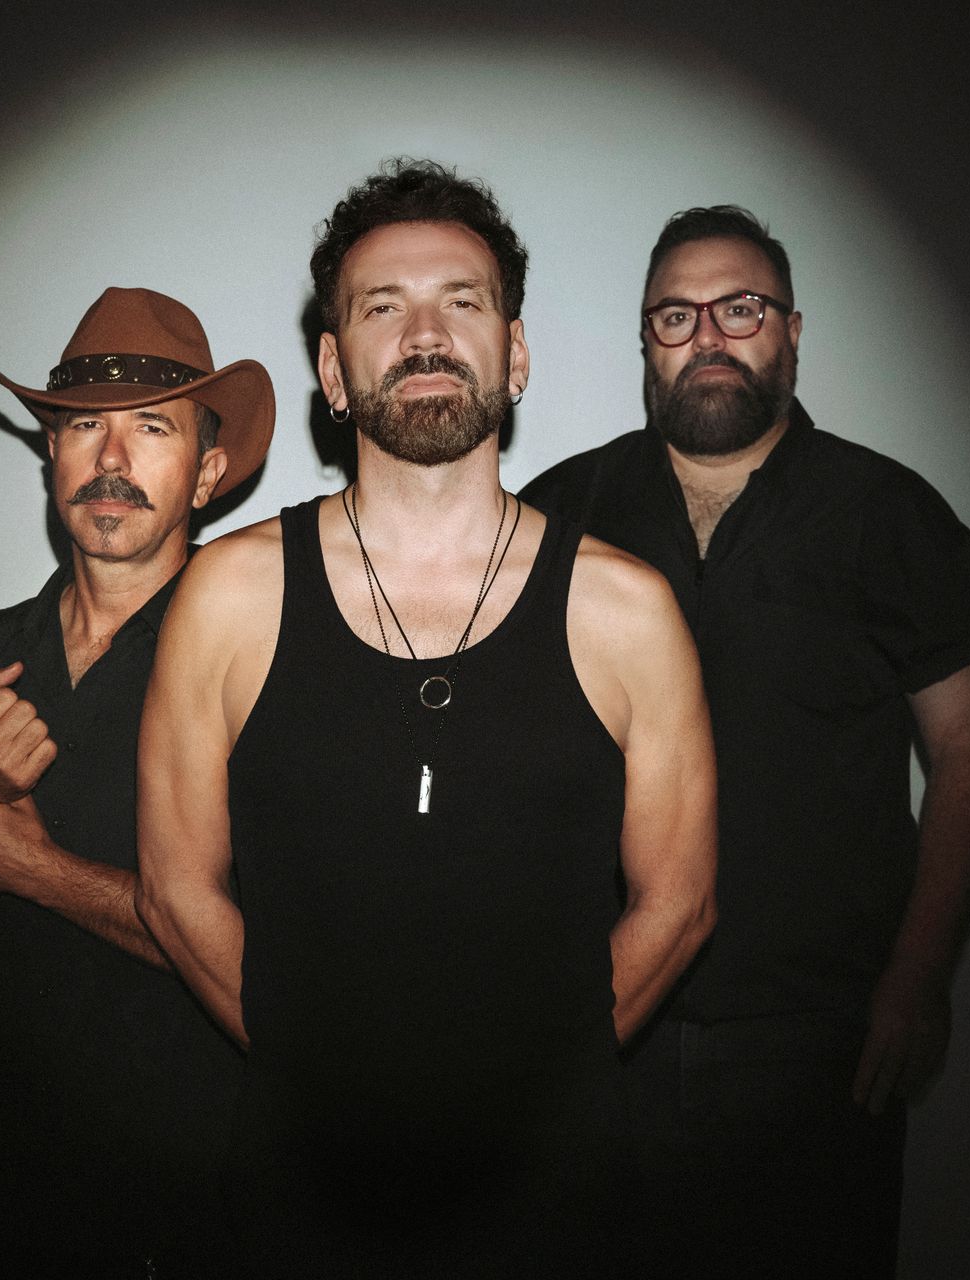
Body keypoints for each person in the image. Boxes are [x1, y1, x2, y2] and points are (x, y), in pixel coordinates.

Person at [136, 160, 718, 1277]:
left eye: (463, 300)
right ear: (333, 370)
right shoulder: (229, 596)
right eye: (381, 307)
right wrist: (328, 1080)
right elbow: (174, 887)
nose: (426, 333)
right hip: (298, 1203)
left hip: (556, 1207)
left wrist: (528, 1095)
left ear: (517, 352)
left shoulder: (628, 610)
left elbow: (680, 904)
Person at [522, 206, 970, 1276]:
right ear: (646, 341)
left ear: (791, 330)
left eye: (739, 308)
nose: (707, 335)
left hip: (819, 1049)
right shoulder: (561, 510)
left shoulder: (889, 514)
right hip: (597, 1034)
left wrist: (919, 974)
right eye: (675, 314)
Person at [0, 288, 274, 1278]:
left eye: (152, 428)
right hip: (5, 1206)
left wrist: (30, 866)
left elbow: (283, 968)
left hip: (209, 1223)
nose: (110, 460)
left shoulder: (264, 665)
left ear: (208, 470)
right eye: (84, 426)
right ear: (52, 453)